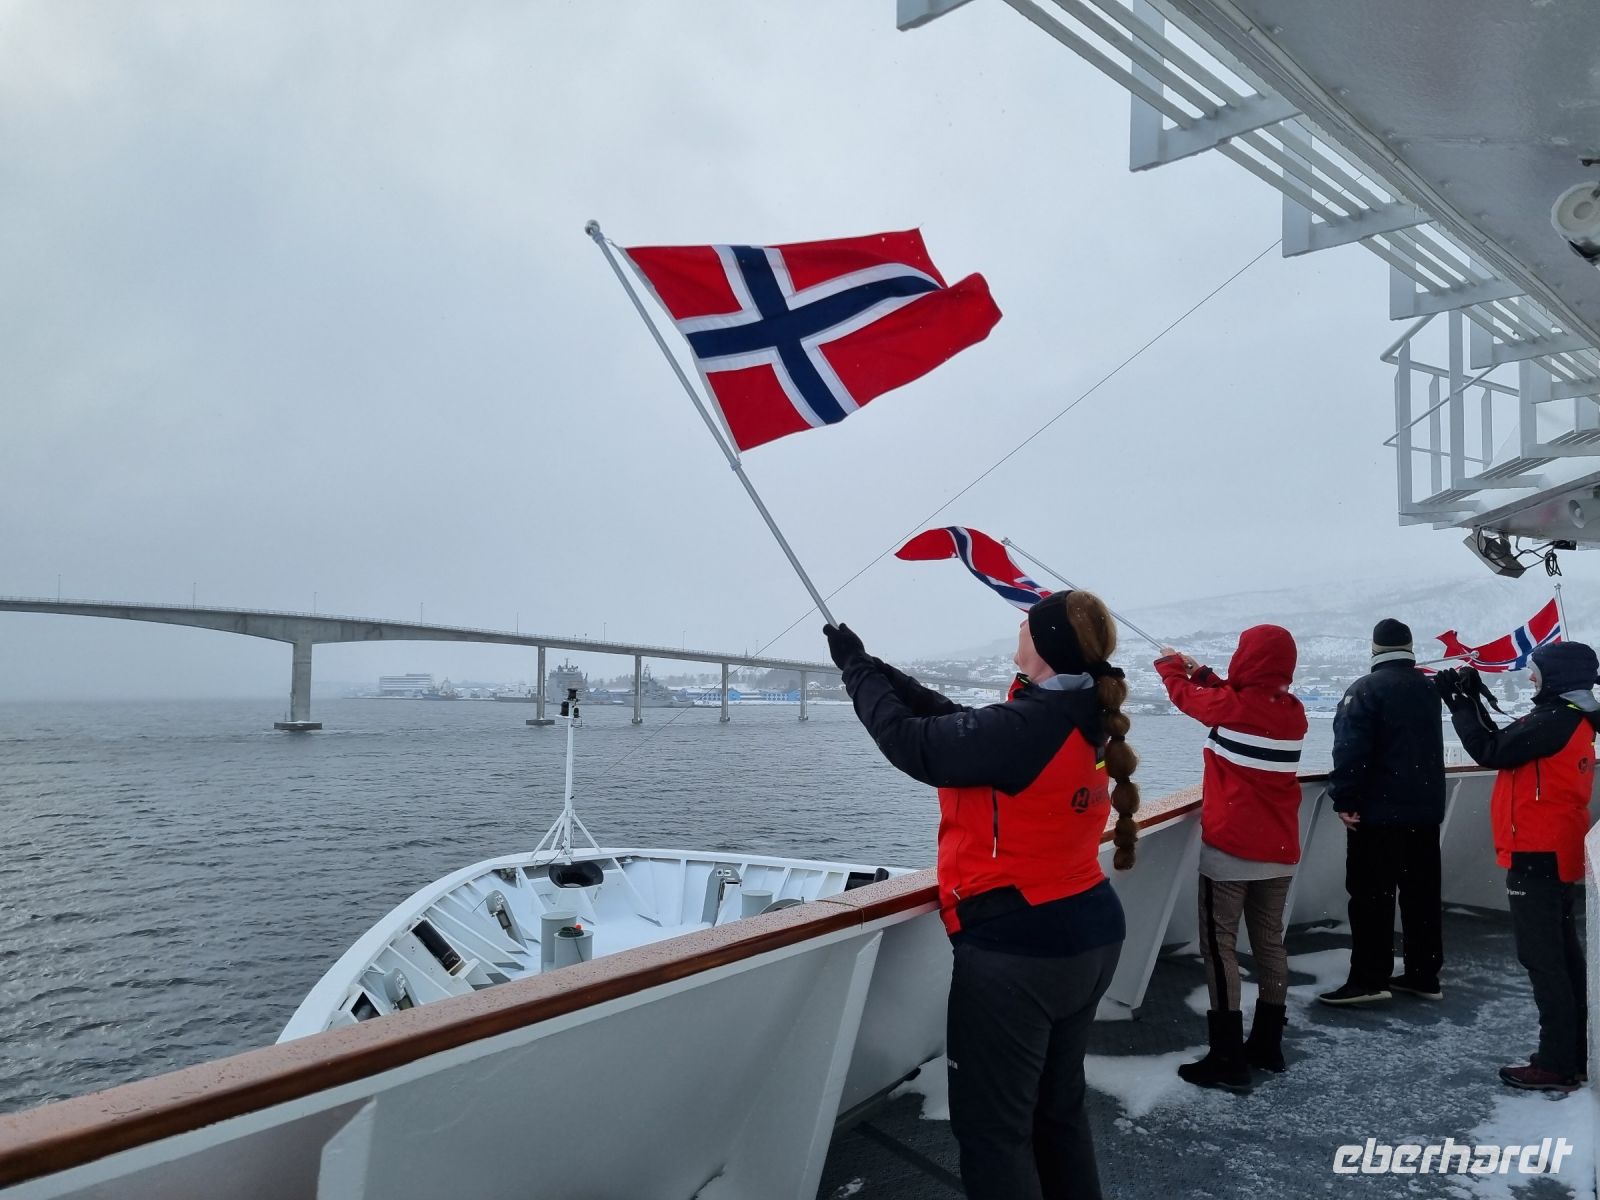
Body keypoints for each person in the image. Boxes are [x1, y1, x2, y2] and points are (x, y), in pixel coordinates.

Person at [824, 589, 1138, 1200]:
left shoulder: (1023, 728)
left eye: (1027, 622)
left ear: (1043, 648)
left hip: (1020, 954)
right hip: (1088, 933)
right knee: (1058, 1111)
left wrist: (856, 674)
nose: (1018, 627)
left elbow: (910, 741)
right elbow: (948, 716)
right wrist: (872, 664)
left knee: (994, 1131)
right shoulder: (1074, 713)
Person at [1436, 640, 1596, 1093]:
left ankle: (1557, 1062)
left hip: (1536, 851)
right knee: (1562, 957)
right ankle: (1575, 1052)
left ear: (1557, 677)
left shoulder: (1556, 719)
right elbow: (1506, 746)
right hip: (1553, 849)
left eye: (1537, 672)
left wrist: (1459, 704)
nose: (1530, 678)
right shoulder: (1569, 717)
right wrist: (1470, 698)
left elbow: (1490, 751)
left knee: (1545, 959)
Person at [1155, 626, 1307, 1089]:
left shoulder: (1234, 707)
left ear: (1248, 659)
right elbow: (1235, 698)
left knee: (1220, 947)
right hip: (1279, 852)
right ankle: (1266, 1046)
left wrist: (1171, 669)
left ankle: (1226, 1058)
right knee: (1269, 945)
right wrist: (1201, 670)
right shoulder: (1294, 713)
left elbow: (1190, 699)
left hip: (1231, 851)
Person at [1320, 618, 1446, 1005]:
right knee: (1421, 897)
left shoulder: (1364, 690)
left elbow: (1350, 751)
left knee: (1372, 898)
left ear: (1374, 649)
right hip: (1424, 814)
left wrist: (1344, 800)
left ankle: (1370, 979)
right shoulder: (1428, 688)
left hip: (1378, 816)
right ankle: (1424, 975)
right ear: (1409, 646)